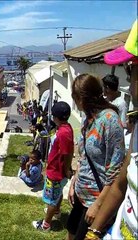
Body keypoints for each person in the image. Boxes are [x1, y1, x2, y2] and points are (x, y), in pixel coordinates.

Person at [83, 20, 137, 240]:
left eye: (132, 72)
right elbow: (121, 184)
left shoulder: (115, 114)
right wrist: (94, 232)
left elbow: (114, 168)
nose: (130, 85)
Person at [65, 74, 125, 240]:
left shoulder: (109, 120)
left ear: (83, 98)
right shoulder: (88, 118)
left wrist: (97, 205)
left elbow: (116, 169)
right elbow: (84, 156)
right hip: (80, 193)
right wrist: (74, 181)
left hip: (95, 199)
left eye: (75, 97)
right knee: (70, 230)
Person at [33, 101, 74, 231]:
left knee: (51, 199)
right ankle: (56, 211)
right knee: (58, 192)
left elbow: (67, 153)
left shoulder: (63, 133)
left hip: (56, 172)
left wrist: (66, 169)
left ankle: (45, 224)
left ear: (55, 117)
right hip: (56, 169)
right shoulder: (66, 128)